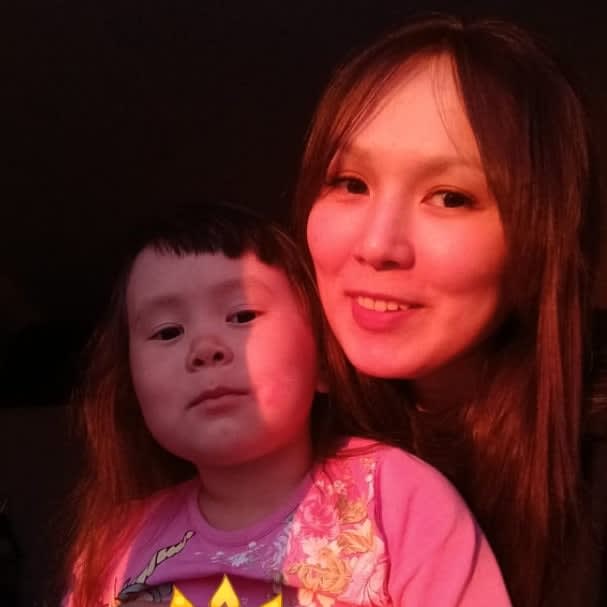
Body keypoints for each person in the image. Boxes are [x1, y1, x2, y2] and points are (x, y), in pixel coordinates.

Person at [293, 13, 607, 607]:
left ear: (541, 240)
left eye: (450, 197)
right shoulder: (266, 428)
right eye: (351, 183)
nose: (377, 245)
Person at [62, 204, 510, 607]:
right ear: (133, 390)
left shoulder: (396, 497)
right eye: (167, 332)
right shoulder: (116, 544)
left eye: (242, 316)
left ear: (323, 361)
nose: (205, 348)